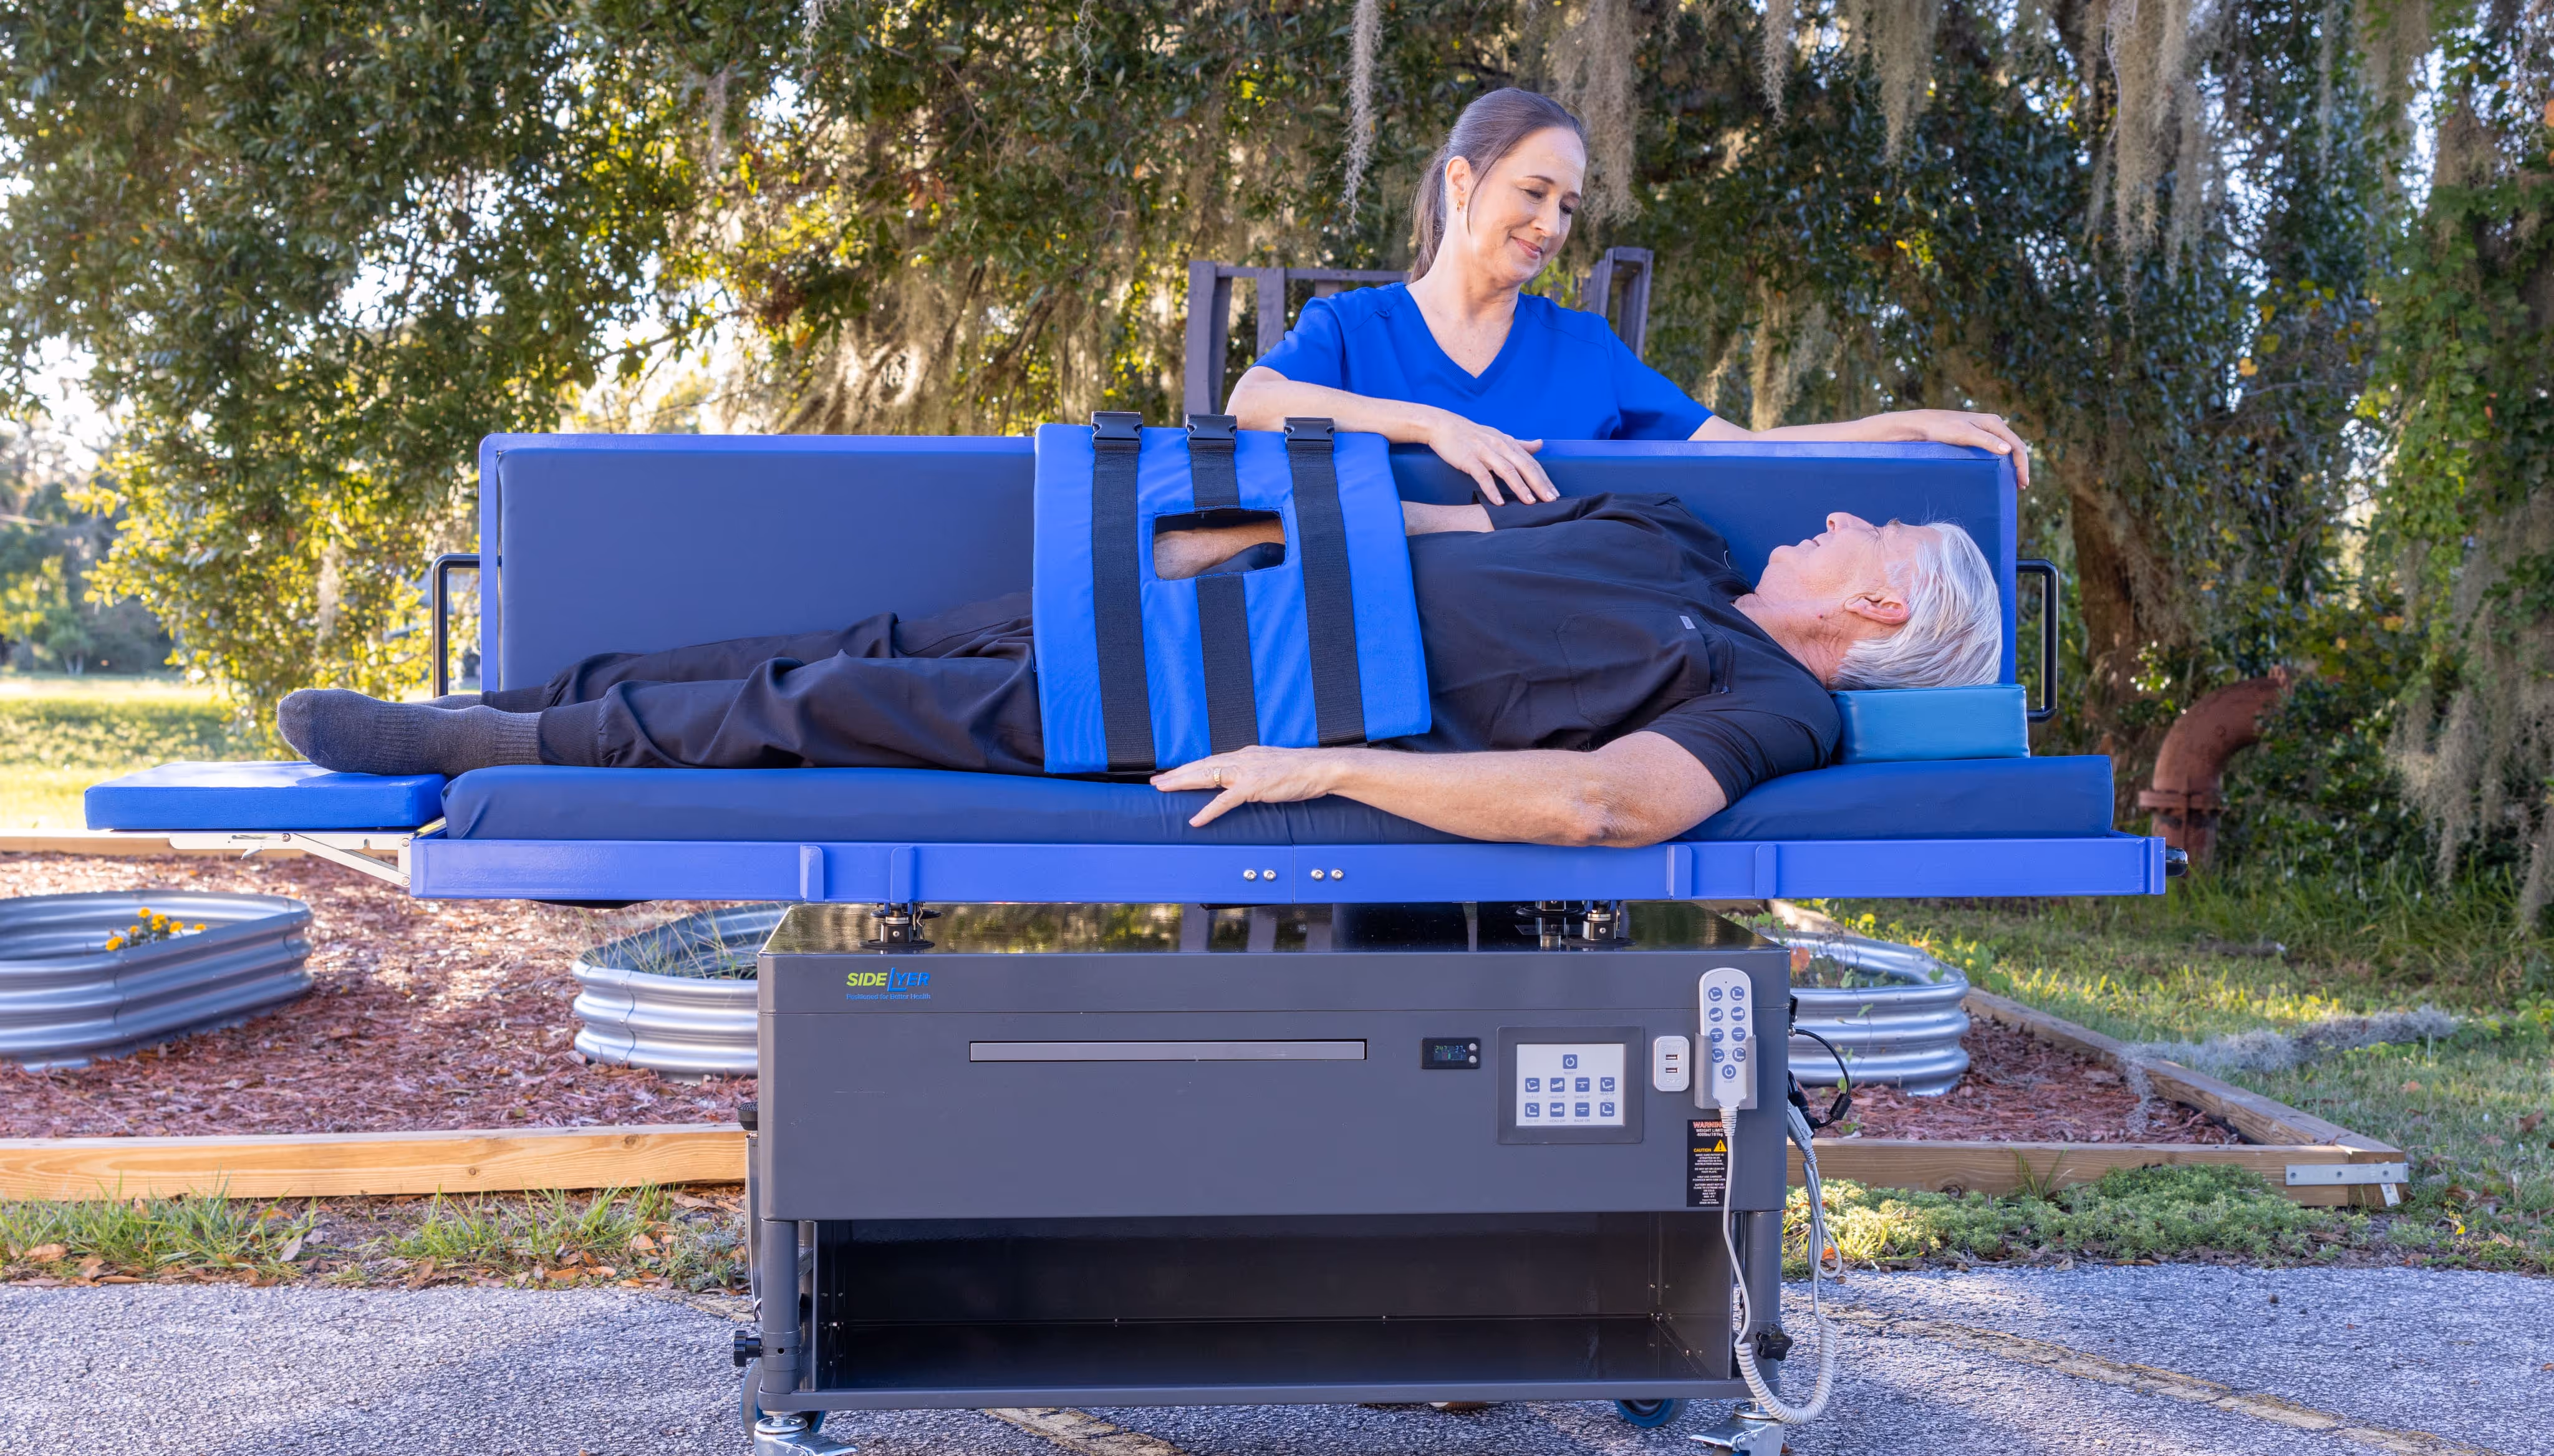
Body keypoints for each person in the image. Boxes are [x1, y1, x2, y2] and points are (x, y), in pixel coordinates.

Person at [279, 498, 2002, 849]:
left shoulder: (1788, 703)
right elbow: (1406, 514)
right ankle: (513, 712)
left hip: (1208, 716)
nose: (1838, 509)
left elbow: (1603, 806)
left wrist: (1323, 768)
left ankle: (478, 743)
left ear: (1877, 617)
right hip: (1177, 605)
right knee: (853, 649)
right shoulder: (1680, 534)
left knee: (818, 712)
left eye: (1878, 527)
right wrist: (1188, 544)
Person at [1226, 87, 2034, 505]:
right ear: (1462, 180)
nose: (1550, 224)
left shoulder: (1585, 351)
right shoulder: (1352, 328)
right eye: (1535, 192)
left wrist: (1910, 425)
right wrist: (1437, 426)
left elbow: (1747, 449)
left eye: (1568, 207)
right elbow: (1250, 404)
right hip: (1378, 656)